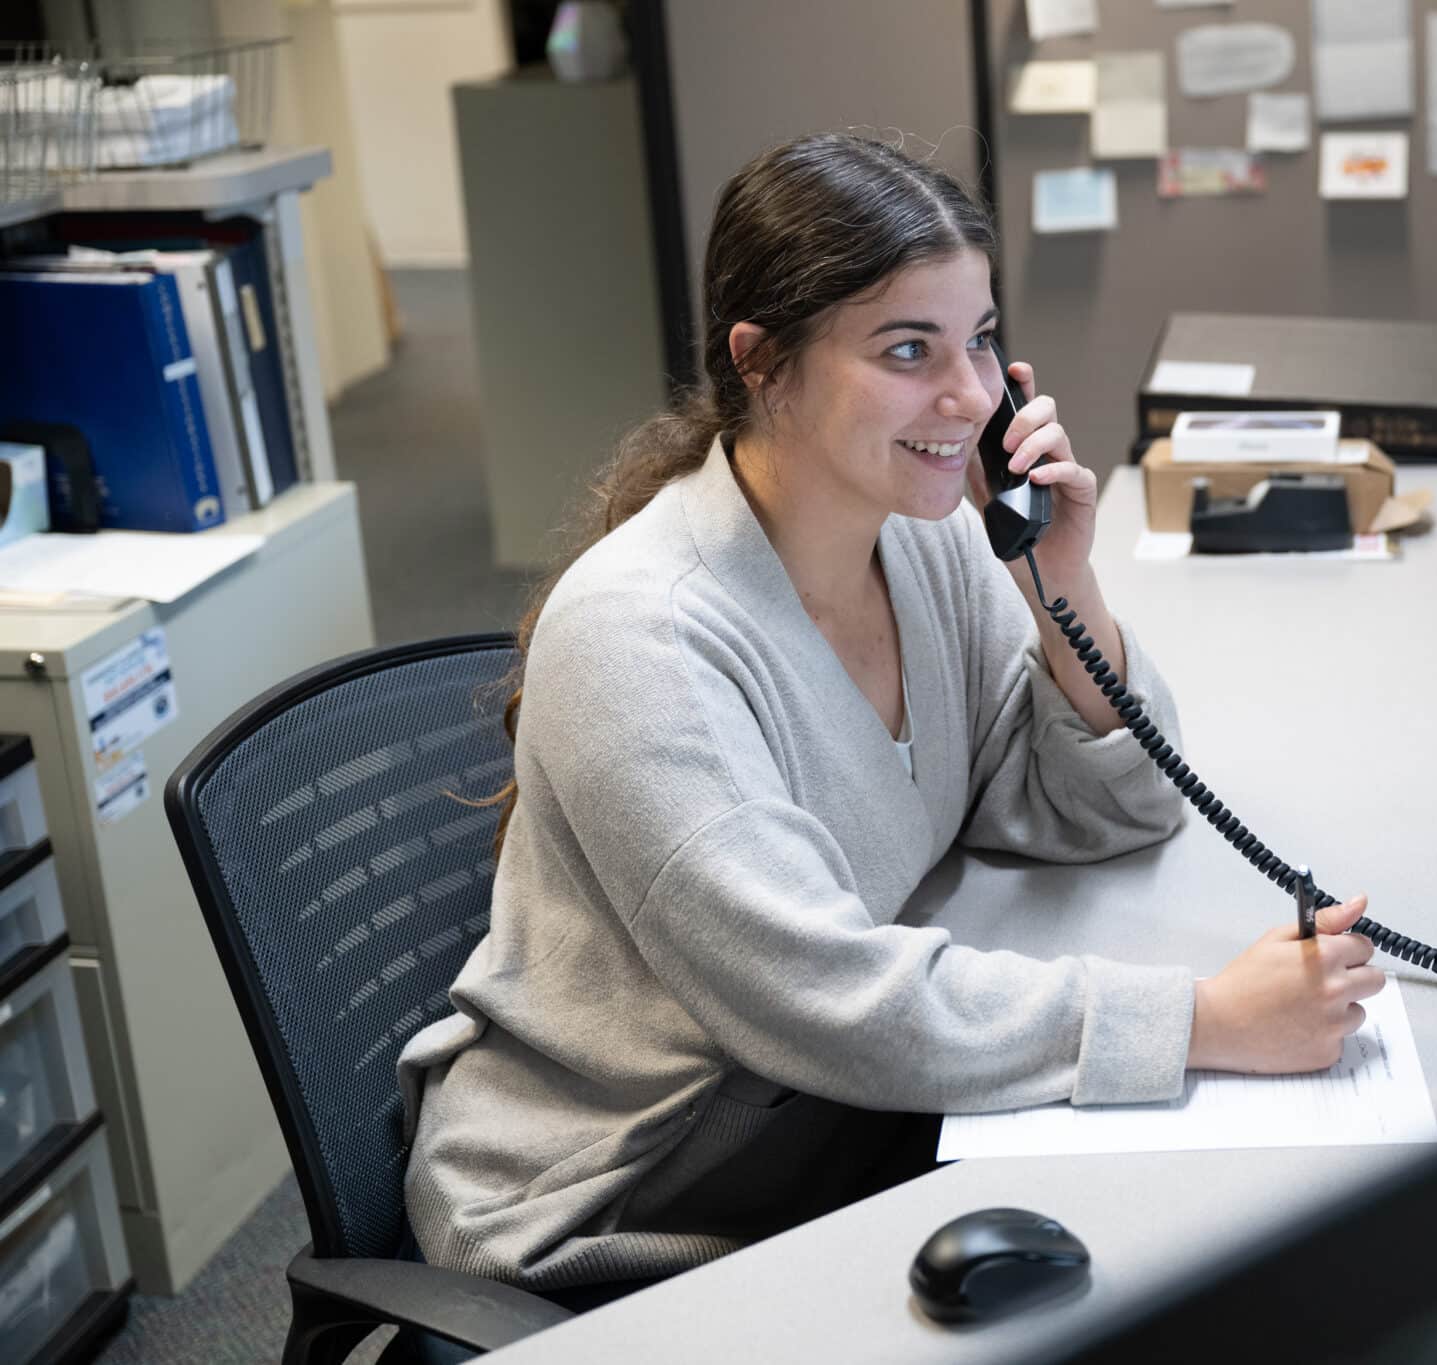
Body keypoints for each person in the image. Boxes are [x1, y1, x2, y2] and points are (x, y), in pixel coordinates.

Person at [398, 131, 1385, 1295]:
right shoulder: (641, 637)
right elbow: (824, 1001)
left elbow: (1102, 811)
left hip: (819, 1110)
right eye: (907, 349)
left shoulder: (921, 544)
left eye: (979, 340)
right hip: (626, 1190)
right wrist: (1203, 1020)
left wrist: (1058, 583)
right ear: (761, 363)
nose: (970, 397)